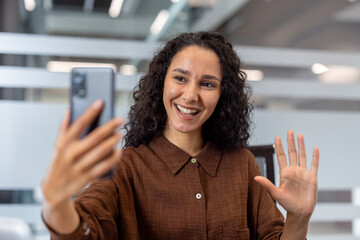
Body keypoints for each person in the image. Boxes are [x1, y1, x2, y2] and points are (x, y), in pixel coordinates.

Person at [41, 32, 319, 240]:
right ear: (162, 83)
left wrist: (298, 217)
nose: (190, 95)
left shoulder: (243, 164)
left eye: (207, 83)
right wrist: (56, 203)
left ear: (222, 95)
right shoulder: (125, 167)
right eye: (180, 78)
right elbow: (86, 231)